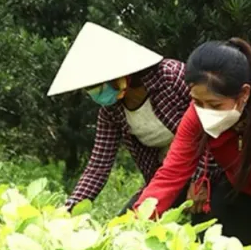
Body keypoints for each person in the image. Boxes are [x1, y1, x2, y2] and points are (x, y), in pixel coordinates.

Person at [133, 38, 251, 250]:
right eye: (197, 102)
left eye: (215, 104)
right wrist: (135, 225)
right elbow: (172, 173)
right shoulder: (197, 114)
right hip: (237, 189)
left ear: (244, 94)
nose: (204, 111)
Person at [47, 22, 222, 215]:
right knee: (129, 226)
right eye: (90, 88)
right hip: (167, 176)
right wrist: (68, 210)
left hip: (212, 167)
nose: (94, 93)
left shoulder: (170, 77)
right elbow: (98, 166)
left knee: (207, 227)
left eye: (97, 85)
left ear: (120, 75)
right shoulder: (111, 113)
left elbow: (212, 125)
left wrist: (201, 179)